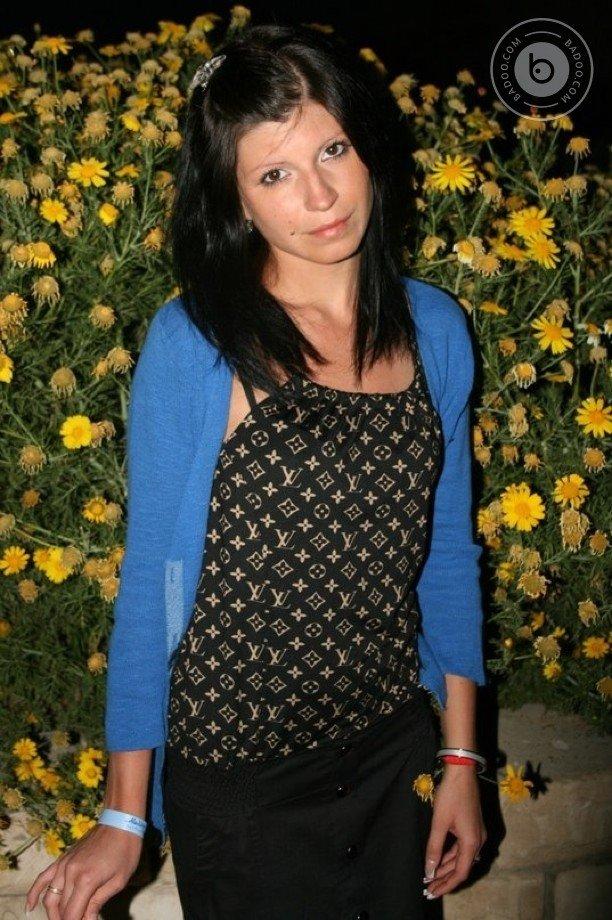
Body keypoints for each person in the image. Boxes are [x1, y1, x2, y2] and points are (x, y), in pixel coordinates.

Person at [25, 22, 487, 920]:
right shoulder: (199, 342)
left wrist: (461, 760)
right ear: (236, 200)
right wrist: (124, 811)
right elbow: (151, 585)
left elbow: (447, 557)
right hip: (242, 784)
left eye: (332, 150)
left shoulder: (434, 329)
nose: (320, 194)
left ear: (367, 147)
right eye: (274, 174)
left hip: (394, 754)